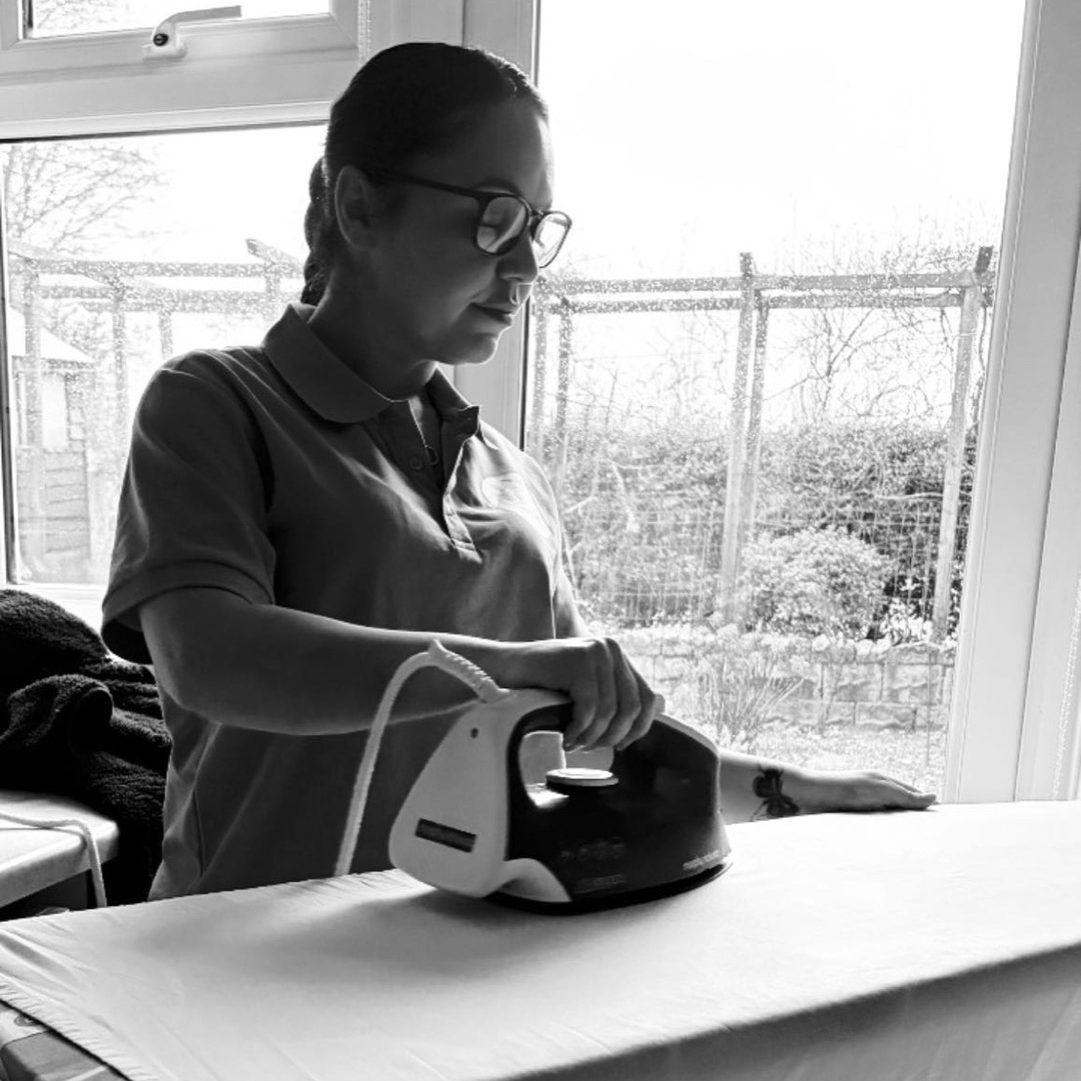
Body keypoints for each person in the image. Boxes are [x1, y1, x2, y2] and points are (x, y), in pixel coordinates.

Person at [102, 42, 935, 901]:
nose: (526, 266)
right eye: (493, 216)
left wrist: (796, 788)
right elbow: (210, 657)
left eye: (536, 227)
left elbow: (584, 721)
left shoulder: (513, 478)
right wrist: (520, 664)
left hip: (459, 948)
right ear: (358, 207)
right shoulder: (214, 403)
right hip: (235, 950)